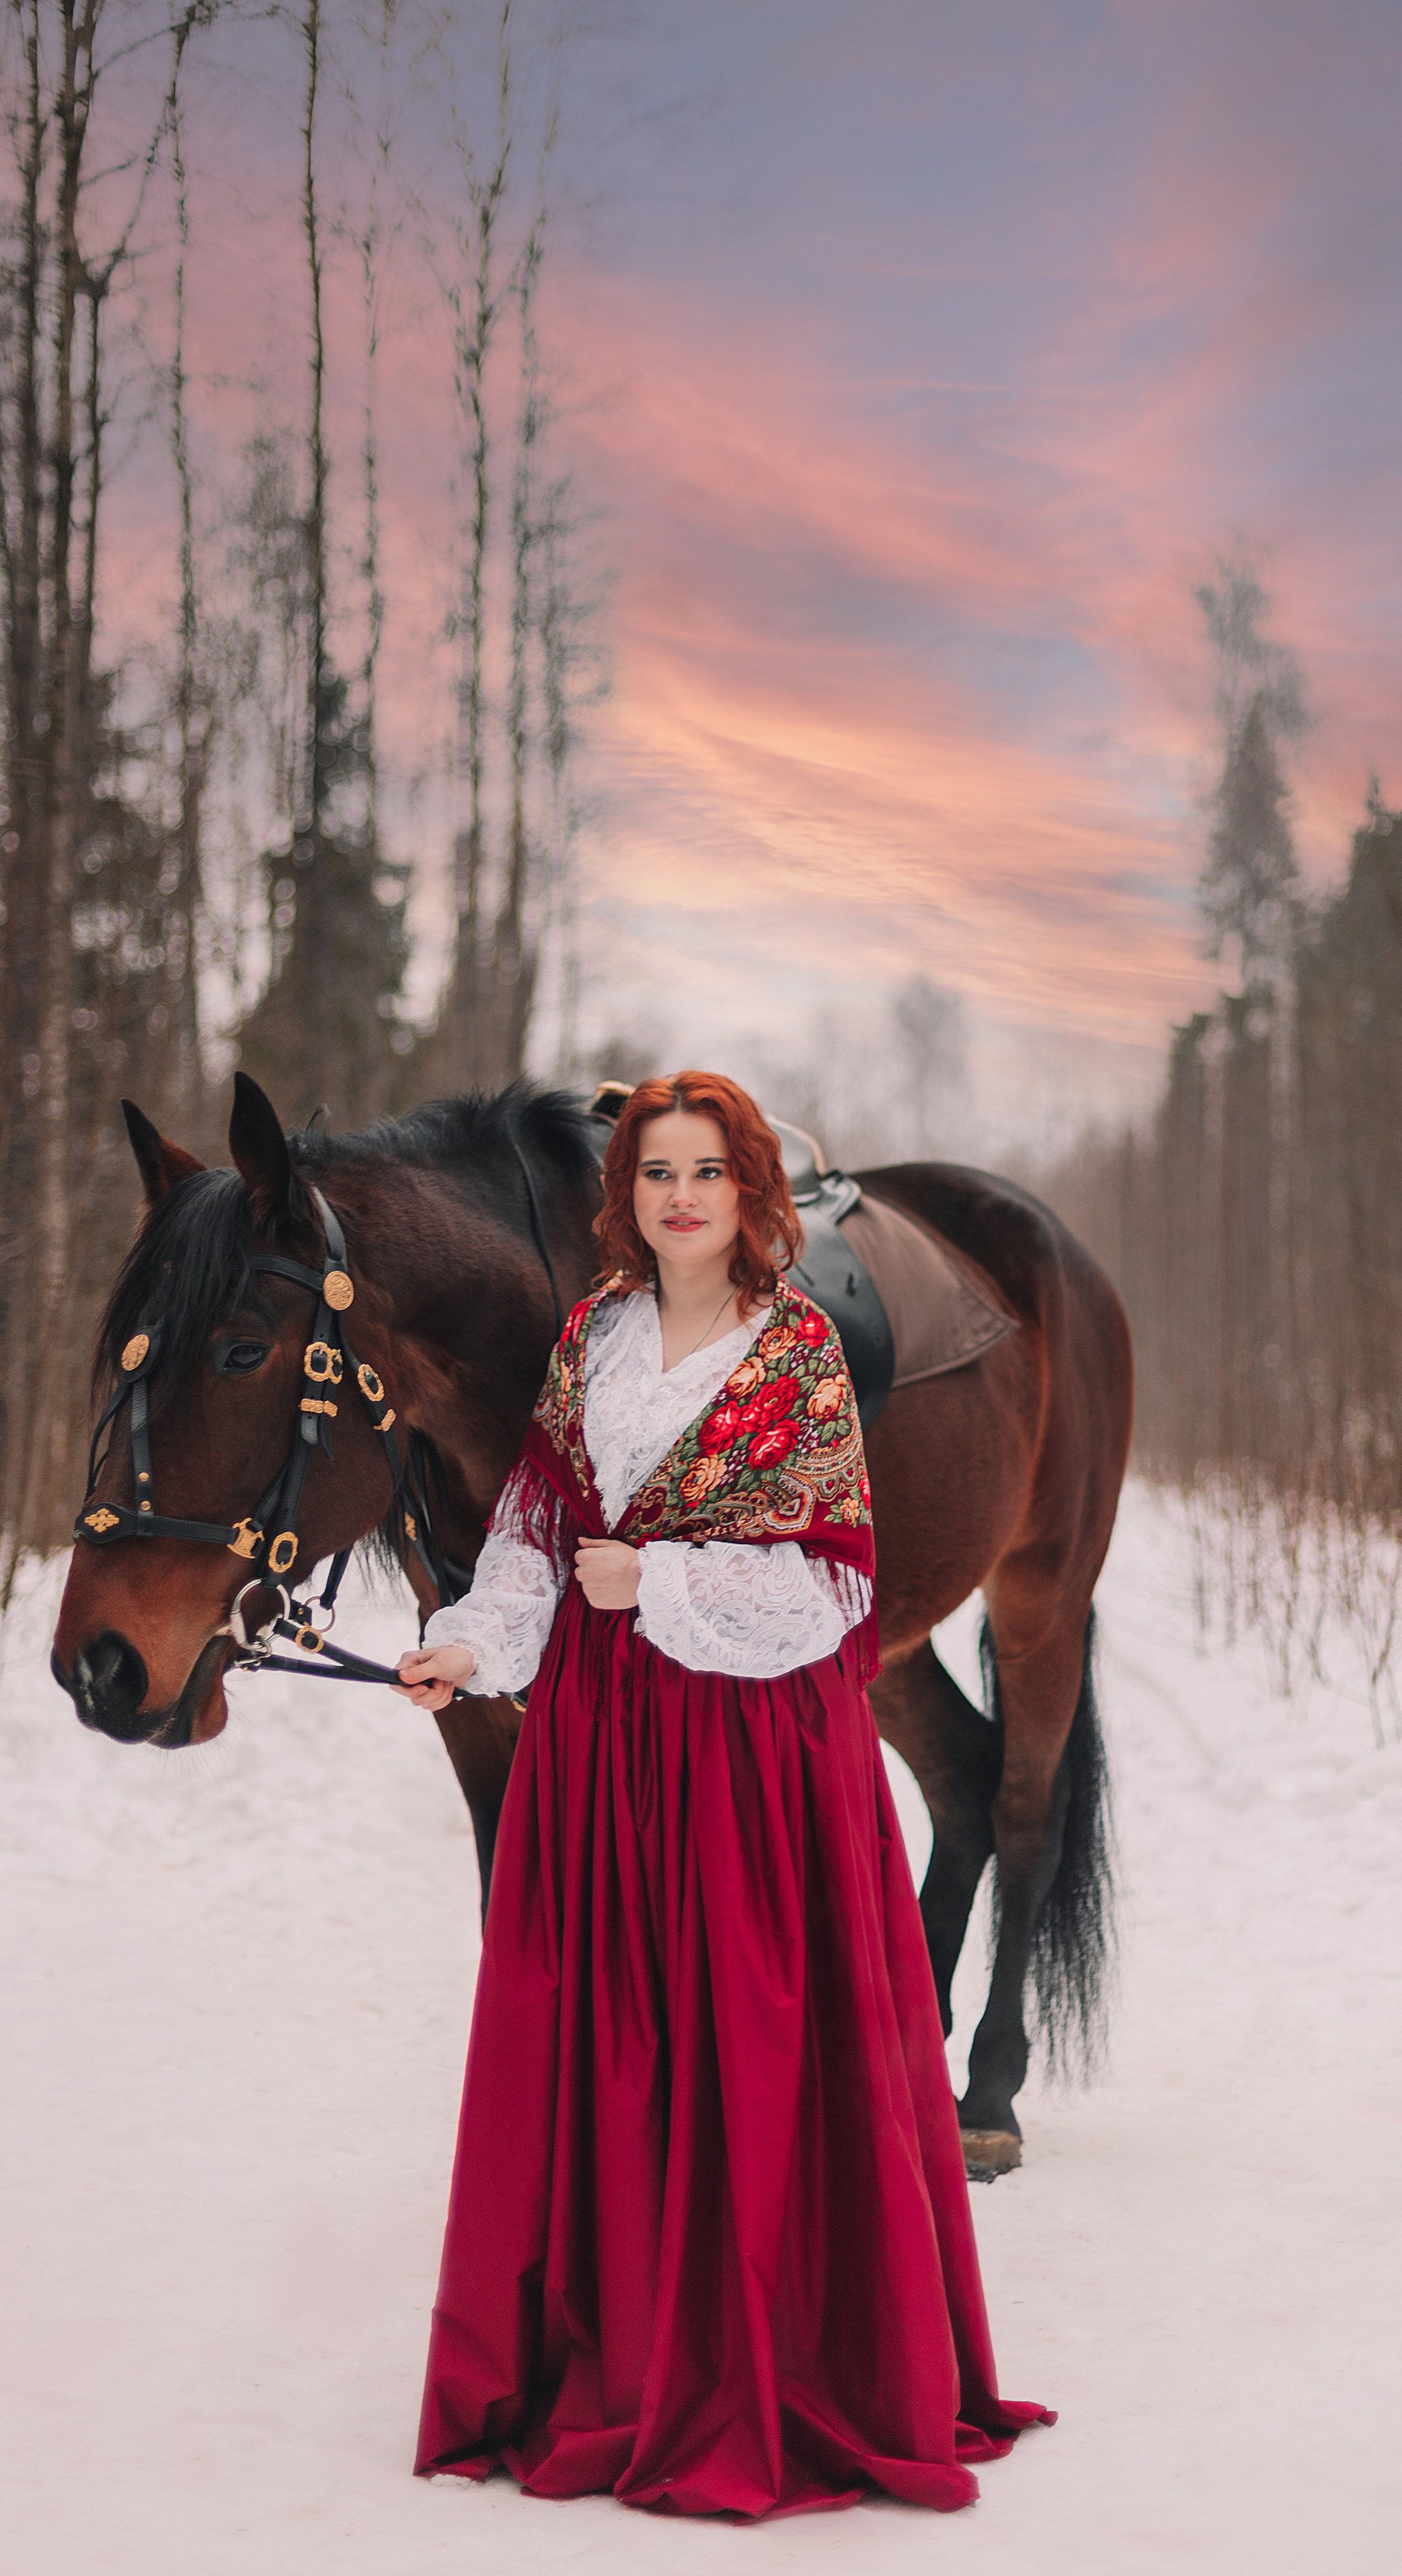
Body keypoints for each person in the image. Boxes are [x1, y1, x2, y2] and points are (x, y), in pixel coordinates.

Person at [396, 1070, 1052, 2521]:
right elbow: (529, 1537)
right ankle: (618, 2359)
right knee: (614, 2034)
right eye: (653, 1174)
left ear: (749, 1193)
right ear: (621, 1197)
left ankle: (771, 2357)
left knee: (748, 2035)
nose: (679, 1198)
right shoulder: (589, 1341)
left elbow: (833, 1582)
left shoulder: (796, 1349)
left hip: (752, 1754)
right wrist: (473, 1641)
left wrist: (664, 1578)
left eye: (705, 1172)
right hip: (599, 1748)